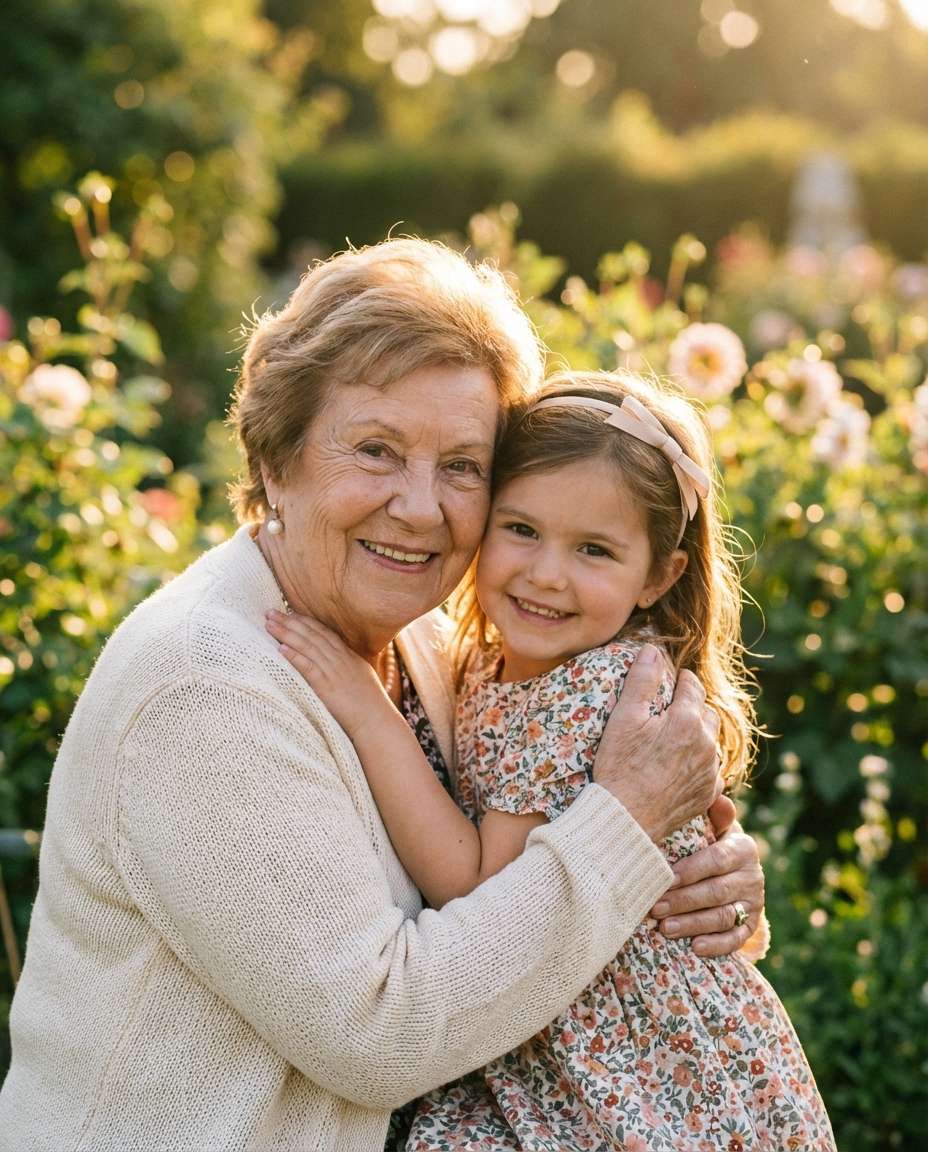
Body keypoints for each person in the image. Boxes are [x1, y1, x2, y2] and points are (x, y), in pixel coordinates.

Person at [0, 240, 765, 1152]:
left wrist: (700, 879)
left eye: (462, 467)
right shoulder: (204, 688)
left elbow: (541, 856)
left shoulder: (431, 639)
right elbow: (381, 1032)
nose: (418, 506)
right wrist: (626, 827)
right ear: (275, 458)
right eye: (376, 450)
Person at [267, 369, 833, 1151]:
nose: (546, 574)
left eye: (594, 550)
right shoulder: (487, 660)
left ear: (659, 576)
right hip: (561, 1026)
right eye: (521, 529)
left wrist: (364, 706)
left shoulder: (596, 690)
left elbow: (476, 887)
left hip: (641, 1068)